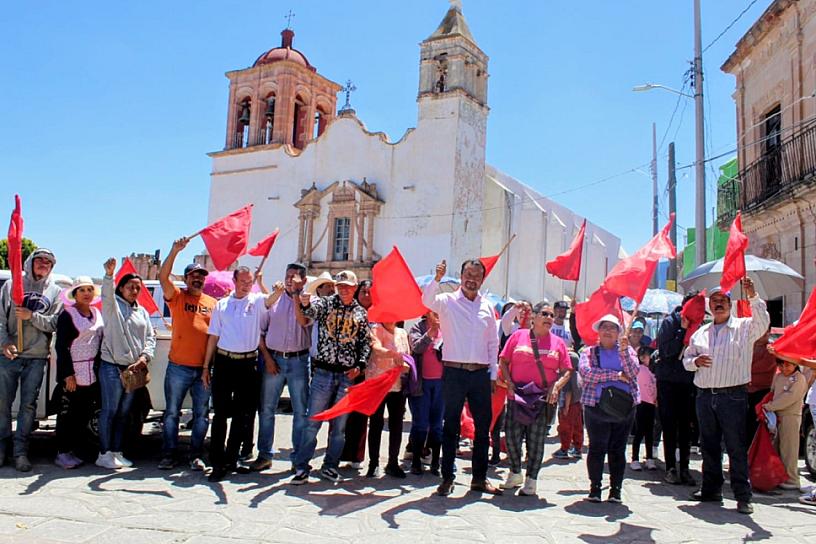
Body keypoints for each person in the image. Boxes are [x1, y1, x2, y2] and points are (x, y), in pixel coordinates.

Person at [682, 278, 770, 515]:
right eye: (715, 301)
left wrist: (753, 295)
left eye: (723, 300)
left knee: (735, 446)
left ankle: (743, 496)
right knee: (708, 445)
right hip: (704, 396)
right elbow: (686, 360)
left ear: (731, 304)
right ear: (709, 306)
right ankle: (711, 489)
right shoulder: (700, 333)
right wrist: (694, 362)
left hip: (732, 397)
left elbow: (763, 323)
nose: (719, 304)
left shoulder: (744, 327)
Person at [422, 259, 502, 496]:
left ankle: (479, 478)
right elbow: (426, 300)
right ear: (461, 274)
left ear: (482, 279)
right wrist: (437, 278)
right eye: (468, 273)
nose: (472, 279)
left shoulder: (487, 306)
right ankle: (447, 477)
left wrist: (493, 373)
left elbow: (492, 342)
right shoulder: (446, 301)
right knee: (450, 427)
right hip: (454, 372)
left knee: (482, 428)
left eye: (477, 275)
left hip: (480, 374)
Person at [290, 270, 371, 484]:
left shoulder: (361, 313)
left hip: (346, 376)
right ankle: (302, 466)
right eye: (340, 285)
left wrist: (360, 365)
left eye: (347, 286)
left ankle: (330, 465)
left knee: (339, 427)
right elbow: (310, 311)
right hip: (323, 372)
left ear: (354, 288)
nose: (343, 289)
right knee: (313, 421)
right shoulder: (326, 304)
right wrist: (304, 301)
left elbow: (365, 343)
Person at [204, 266, 278, 481]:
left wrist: (279, 289)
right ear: (234, 281)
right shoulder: (222, 305)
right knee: (220, 415)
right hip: (225, 362)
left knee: (241, 416)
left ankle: (232, 458)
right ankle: (217, 462)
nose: (246, 285)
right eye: (243, 281)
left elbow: (270, 299)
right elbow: (213, 337)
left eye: (249, 282)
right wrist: (205, 367)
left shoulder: (256, 302)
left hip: (248, 363)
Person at [498, 301, 571, 496]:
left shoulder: (558, 343)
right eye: (545, 314)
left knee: (536, 440)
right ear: (534, 317)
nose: (549, 318)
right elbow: (503, 360)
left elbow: (566, 371)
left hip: (541, 397)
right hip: (517, 394)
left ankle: (531, 479)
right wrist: (509, 382)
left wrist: (556, 386)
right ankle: (515, 472)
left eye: (551, 315)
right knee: (512, 437)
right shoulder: (518, 336)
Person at [0, 249, 63, 472]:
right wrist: (4, 342)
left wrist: (31, 316)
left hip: (36, 356)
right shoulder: (11, 285)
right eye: (40, 260)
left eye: (49, 262)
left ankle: (20, 452)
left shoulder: (55, 292)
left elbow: (54, 323)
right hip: (9, 354)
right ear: (30, 263)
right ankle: (1, 449)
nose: (44, 264)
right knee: (2, 405)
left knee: (28, 406)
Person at [157, 238, 216, 471]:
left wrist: (207, 367)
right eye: (193, 275)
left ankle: (195, 455)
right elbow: (162, 277)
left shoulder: (212, 303)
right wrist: (174, 251)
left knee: (202, 415)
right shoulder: (177, 297)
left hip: (203, 370)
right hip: (178, 367)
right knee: (172, 413)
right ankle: (169, 454)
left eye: (201, 275)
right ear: (185, 279)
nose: (198, 278)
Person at [97, 258, 156, 470]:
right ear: (121, 288)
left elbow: (151, 337)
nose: (134, 290)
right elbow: (106, 294)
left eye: (138, 287)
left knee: (124, 413)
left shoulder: (142, 312)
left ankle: (117, 451)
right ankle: (104, 453)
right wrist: (109, 275)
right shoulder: (112, 307)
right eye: (130, 286)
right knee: (109, 411)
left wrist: (144, 357)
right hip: (112, 367)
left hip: (134, 370)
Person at [253, 263, 312, 472]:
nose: (289, 280)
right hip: (274, 359)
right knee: (267, 409)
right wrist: (267, 359)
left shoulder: (309, 301)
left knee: (300, 411)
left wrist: (296, 295)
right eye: (287, 276)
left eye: (295, 277)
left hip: (299, 361)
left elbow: (304, 321)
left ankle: (298, 458)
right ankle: (264, 455)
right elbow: (260, 331)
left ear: (304, 281)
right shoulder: (273, 300)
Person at [579, 314, 640, 503]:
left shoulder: (627, 351)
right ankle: (595, 487)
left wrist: (623, 353)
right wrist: (615, 375)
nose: (608, 331)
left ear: (619, 333)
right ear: (598, 331)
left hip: (623, 409)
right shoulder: (588, 352)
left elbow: (633, 373)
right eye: (604, 327)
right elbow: (587, 374)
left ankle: (615, 490)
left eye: (612, 328)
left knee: (617, 449)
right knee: (596, 448)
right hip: (596, 407)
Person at [53, 276, 103, 469]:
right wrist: (68, 374)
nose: (86, 293)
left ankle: (76, 450)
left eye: (89, 290)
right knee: (67, 414)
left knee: (84, 414)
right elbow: (61, 346)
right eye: (82, 290)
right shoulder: (67, 315)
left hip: (92, 372)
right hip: (73, 373)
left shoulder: (97, 313)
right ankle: (62, 452)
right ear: (75, 294)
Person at [656, 291, 699, 486]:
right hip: (668, 382)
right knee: (669, 426)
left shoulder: (698, 325)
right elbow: (666, 351)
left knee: (686, 427)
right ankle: (671, 467)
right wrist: (682, 331)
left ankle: (685, 468)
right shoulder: (670, 323)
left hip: (688, 382)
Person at [366, 321, 410, 478]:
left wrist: (405, 365)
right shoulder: (376, 329)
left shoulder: (402, 333)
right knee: (376, 422)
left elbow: (407, 356)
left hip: (397, 384)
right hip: (378, 383)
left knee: (396, 424)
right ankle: (373, 463)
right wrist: (394, 355)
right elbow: (376, 349)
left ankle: (393, 462)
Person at [340, 280, 373, 469]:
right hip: (351, 369)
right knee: (344, 413)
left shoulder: (381, 314)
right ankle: (339, 451)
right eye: (363, 291)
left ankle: (357, 456)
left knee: (361, 416)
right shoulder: (349, 311)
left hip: (372, 371)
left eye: (370, 292)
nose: (366, 295)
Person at [407, 311, 444, 475]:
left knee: (437, 425)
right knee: (420, 423)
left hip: (442, 384)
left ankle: (435, 461)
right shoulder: (417, 328)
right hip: (422, 384)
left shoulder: (448, 328)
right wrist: (430, 333)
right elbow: (416, 348)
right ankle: (416, 460)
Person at [762, 359, 808, 491]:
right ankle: (777, 476)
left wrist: (770, 406)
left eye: (788, 365)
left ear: (795, 365)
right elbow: (772, 393)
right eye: (781, 365)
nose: (784, 368)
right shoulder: (778, 376)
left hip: (791, 416)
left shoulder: (799, 378)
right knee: (776, 447)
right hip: (775, 416)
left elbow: (789, 398)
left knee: (789, 449)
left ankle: (791, 479)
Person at [746, 328, 777, 444]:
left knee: (757, 426)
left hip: (762, 392)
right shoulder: (747, 345)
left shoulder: (771, 348)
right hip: (745, 392)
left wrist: (746, 368)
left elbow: (764, 366)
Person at [630, 345, 657, 471]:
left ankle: (649, 458)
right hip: (641, 403)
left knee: (649, 432)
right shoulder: (639, 369)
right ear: (641, 357)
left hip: (652, 404)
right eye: (648, 356)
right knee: (639, 431)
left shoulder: (653, 370)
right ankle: (634, 458)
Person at [554, 350, 583, 459]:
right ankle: (577, 448)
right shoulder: (578, 374)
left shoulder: (567, 376)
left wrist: (565, 407)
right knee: (577, 427)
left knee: (565, 428)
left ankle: (564, 449)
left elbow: (568, 392)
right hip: (577, 404)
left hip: (569, 405)